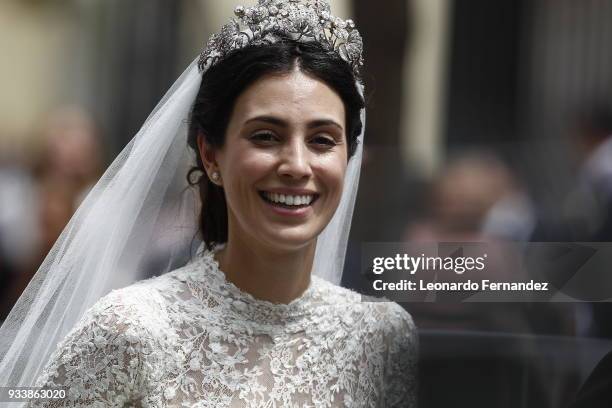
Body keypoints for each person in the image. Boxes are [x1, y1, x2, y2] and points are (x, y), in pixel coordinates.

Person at [0, 1, 417, 406]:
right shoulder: (129, 331)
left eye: (322, 141)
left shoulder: (384, 337)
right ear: (211, 155)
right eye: (266, 136)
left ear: (348, 157)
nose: (296, 165)